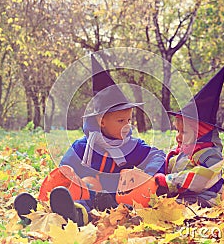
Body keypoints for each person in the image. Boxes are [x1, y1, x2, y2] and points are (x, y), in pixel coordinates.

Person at [14, 55, 165, 226]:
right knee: (73, 191)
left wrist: (149, 173)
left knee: (102, 202)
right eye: (121, 121)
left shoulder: (131, 146)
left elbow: (157, 155)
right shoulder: (82, 147)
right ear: (102, 122)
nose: (127, 126)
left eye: (129, 121)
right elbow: (65, 171)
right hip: (85, 193)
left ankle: (73, 215)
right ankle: (39, 211)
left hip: (114, 198)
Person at [154, 65, 224, 208]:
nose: (178, 137)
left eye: (184, 132)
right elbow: (169, 166)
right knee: (163, 203)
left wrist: (169, 181)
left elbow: (201, 176)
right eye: (178, 131)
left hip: (207, 197)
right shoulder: (184, 152)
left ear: (201, 135)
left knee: (177, 206)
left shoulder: (210, 155)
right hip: (184, 193)